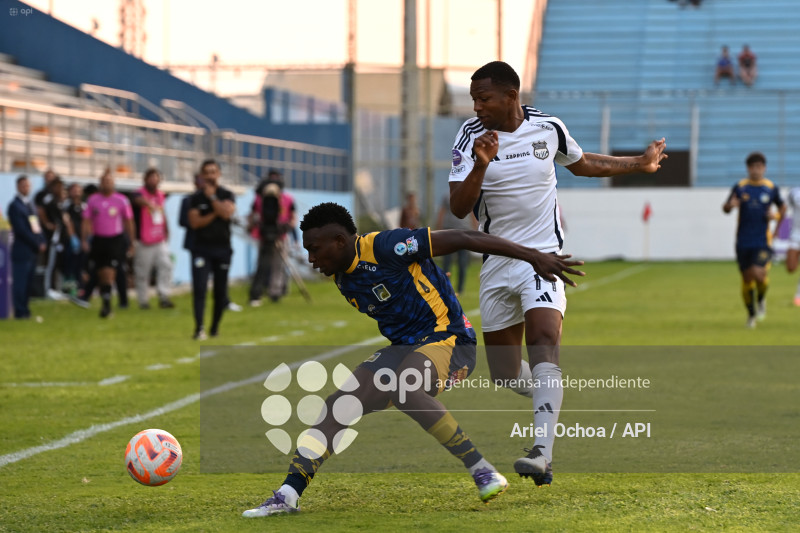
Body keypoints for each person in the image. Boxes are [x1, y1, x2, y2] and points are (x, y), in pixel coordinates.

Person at [242, 202, 585, 517]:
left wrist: (533, 256)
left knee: (406, 387)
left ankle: (482, 470)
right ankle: (288, 494)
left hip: (450, 339)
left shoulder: (386, 246)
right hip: (405, 347)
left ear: (340, 240)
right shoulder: (343, 275)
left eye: (315, 249)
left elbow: (465, 236)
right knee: (339, 404)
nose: (312, 258)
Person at [448, 61, 667, 486]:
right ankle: (551, 395)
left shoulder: (548, 127)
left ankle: (541, 453)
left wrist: (639, 163)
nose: (477, 107)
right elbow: (459, 208)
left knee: (545, 342)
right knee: (507, 374)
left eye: (484, 98)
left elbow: (583, 164)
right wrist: (480, 165)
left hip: (544, 257)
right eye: (474, 99)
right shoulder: (470, 137)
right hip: (495, 260)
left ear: (511, 96)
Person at [723, 152, 786, 327]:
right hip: (743, 240)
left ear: (764, 168)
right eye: (753, 167)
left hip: (762, 240)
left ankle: (761, 299)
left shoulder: (771, 188)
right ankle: (751, 314)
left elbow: (783, 208)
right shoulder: (740, 187)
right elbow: (726, 207)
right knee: (747, 279)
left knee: (760, 273)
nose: (756, 170)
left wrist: (776, 218)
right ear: (748, 169)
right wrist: (730, 206)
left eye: (759, 167)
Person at [187, 159, 236, 340]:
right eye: (206, 172)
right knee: (200, 288)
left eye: (213, 171)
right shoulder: (195, 198)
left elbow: (227, 213)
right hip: (201, 249)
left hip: (222, 249)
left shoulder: (227, 194)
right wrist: (217, 211)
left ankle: (215, 327)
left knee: (219, 291)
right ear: (201, 175)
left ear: (219, 174)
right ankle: (199, 327)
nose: (210, 175)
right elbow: (195, 223)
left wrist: (214, 199)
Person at [82, 170, 135, 318]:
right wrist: (84, 239)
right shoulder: (92, 200)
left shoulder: (121, 200)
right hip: (99, 239)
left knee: (111, 272)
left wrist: (131, 241)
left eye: (109, 181)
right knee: (101, 272)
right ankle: (106, 303)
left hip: (115, 240)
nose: (107, 184)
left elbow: (129, 222)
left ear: (113, 183)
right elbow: (86, 220)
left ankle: (110, 304)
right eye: (104, 181)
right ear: (100, 183)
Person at [248, 170, 296, 305]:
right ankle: (257, 292)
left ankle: (275, 292)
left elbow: (293, 217)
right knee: (262, 264)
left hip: (281, 235)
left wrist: (287, 228)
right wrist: (252, 226)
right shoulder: (259, 198)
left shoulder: (287, 199)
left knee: (279, 265)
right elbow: (253, 215)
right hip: (264, 235)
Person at [132, 168, 175, 310]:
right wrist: (148, 203)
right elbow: (137, 201)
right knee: (143, 271)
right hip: (144, 240)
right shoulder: (139, 193)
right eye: (151, 178)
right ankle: (143, 300)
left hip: (158, 237)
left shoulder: (160, 195)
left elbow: (162, 213)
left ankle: (164, 296)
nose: (154, 181)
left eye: (156, 178)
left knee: (166, 265)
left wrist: (167, 228)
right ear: (145, 180)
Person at [7, 175, 46, 319]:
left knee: (29, 282)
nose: (26, 188)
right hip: (22, 250)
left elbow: (36, 226)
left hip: (32, 251)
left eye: (28, 185)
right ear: (18, 187)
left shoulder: (30, 205)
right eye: (23, 185)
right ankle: (20, 311)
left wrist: (42, 240)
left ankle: (26, 309)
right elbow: (21, 230)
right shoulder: (14, 206)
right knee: (20, 283)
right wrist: (37, 243)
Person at [435, 193, 477, 295]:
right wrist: (439, 229)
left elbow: (472, 212)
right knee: (446, 261)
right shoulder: (447, 196)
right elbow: (442, 211)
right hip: (448, 230)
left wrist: (475, 227)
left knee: (462, 262)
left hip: (464, 231)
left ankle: (460, 289)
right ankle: (445, 287)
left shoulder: (468, 193)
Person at [786, 186, 800, 306]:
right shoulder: (794, 192)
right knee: (791, 267)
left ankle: (798, 296)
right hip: (796, 234)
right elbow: (787, 205)